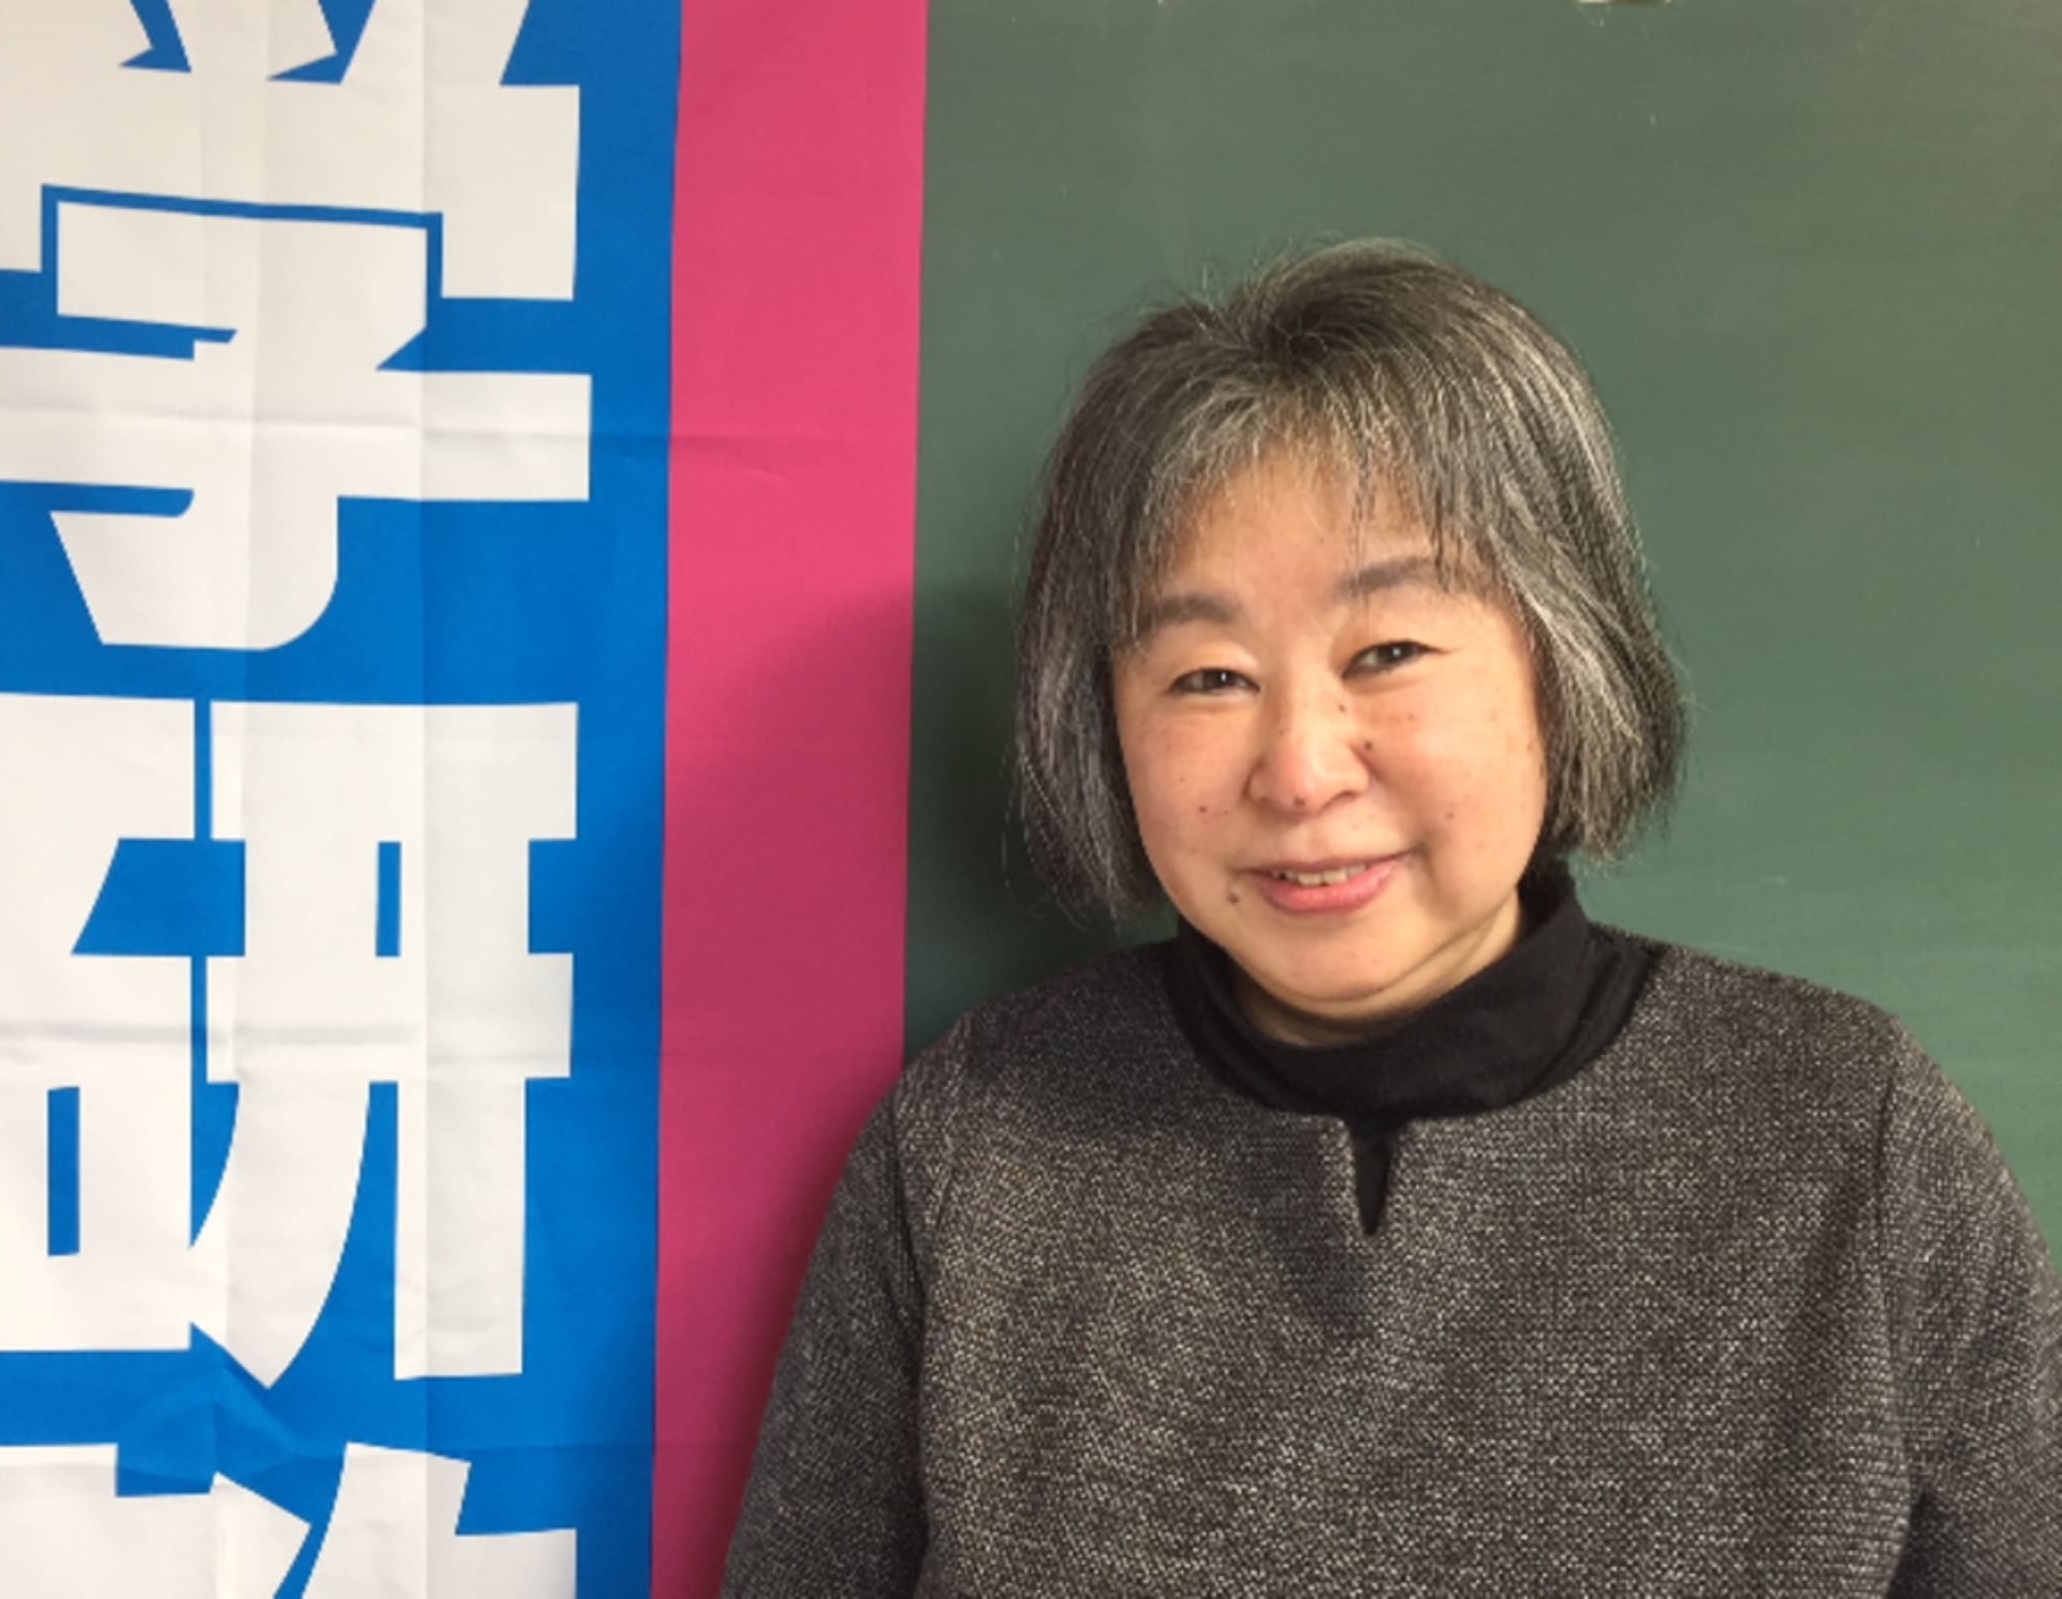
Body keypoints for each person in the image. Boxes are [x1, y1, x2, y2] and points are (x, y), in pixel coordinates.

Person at [719, 242, 2062, 1596]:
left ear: (1560, 663)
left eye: (1389, 652)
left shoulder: (1847, 1133)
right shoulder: (978, 1141)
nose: (1301, 770)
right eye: (1208, 675)